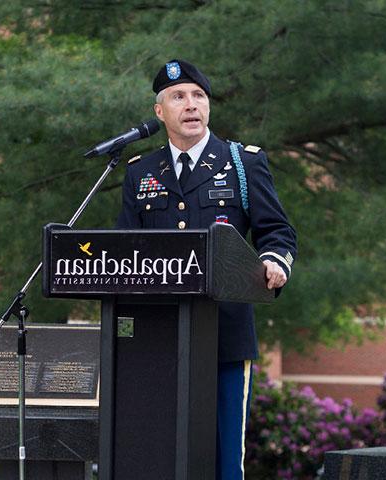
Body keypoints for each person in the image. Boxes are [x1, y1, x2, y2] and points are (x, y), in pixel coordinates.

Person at [116, 59, 297, 480]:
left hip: (225, 337)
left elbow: (278, 232)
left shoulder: (243, 163)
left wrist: (273, 260)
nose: (191, 104)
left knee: (222, 461)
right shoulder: (140, 171)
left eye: (199, 96)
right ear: (160, 112)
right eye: (178, 96)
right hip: (156, 339)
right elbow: (125, 250)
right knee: (158, 455)